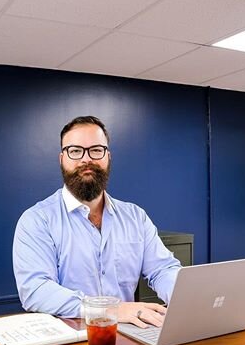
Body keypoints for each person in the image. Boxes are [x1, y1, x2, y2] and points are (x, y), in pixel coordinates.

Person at [12, 116, 181, 328]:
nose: (86, 159)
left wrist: (187, 297)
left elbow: (163, 269)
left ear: (108, 156)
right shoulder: (37, 221)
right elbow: (36, 290)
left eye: (96, 150)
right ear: (61, 158)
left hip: (129, 337)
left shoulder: (135, 217)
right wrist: (108, 310)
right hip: (67, 344)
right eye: (75, 151)